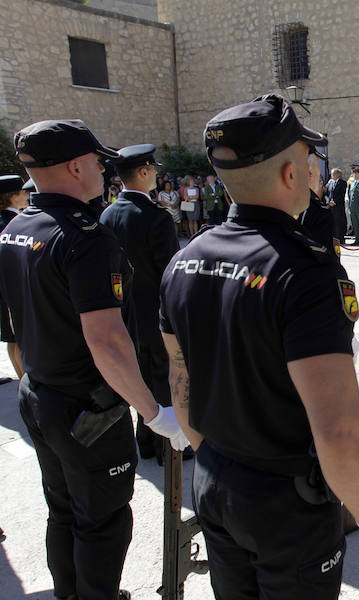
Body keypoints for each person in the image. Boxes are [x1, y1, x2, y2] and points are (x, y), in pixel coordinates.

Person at [160, 94, 359, 599]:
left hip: (213, 479)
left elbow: (178, 376)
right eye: (308, 159)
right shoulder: (305, 273)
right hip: (284, 504)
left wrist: (216, 461)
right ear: (291, 174)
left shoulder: (185, 260)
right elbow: (338, 428)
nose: (315, 170)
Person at [0, 119, 189, 600]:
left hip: (39, 391)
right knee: (102, 523)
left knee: (62, 511)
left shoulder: (17, 227)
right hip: (86, 406)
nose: (105, 171)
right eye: (100, 162)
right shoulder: (83, 237)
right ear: (76, 165)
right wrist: (153, 411)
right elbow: (106, 340)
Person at [100, 144, 183, 464]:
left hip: (123, 308)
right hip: (154, 308)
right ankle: (166, 445)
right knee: (162, 373)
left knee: (138, 371)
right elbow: (168, 271)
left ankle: (144, 439)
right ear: (145, 172)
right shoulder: (154, 216)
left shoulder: (108, 213)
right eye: (154, 170)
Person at [0, 175, 29, 379]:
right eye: (22, 192)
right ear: (12, 196)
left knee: (11, 338)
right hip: (13, 287)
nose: (26, 195)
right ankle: (26, 379)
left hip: (3, 287)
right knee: (19, 337)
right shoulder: (14, 222)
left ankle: (21, 378)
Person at [325, 168, 348, 242]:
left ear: (338, 174)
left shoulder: (343, 183)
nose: (332, 175)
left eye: (334, 173)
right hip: (330, 206)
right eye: (332, 174)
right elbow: (326, 193)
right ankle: (333, 238)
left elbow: (342, 195)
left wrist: (334, 202)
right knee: (332, 223)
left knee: (338, 223)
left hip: (338, 206)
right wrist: (328, 201)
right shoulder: (329, 183)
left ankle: (340, 239)